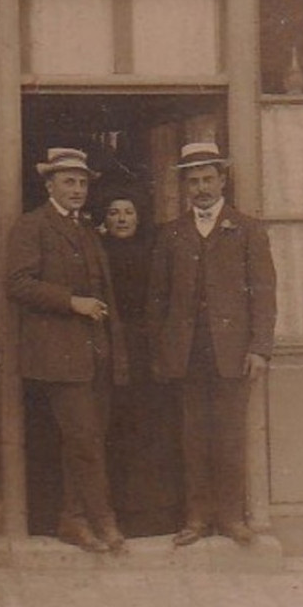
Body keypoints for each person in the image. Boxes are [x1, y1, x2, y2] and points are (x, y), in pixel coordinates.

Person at [147, 142, 277, 546]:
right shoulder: (172, 233)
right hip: (187, 353)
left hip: (233, 352)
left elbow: (264, 293)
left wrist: (259, 348)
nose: (202, 187)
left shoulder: (248, 229)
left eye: (208, 178)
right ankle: (197, 518)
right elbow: (158, 299)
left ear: (222, 180)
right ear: (185, 187)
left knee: (230, 437)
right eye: (194, 180)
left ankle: (231, 517)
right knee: (193, 436)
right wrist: (162, 349)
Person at [7, 146, 128, 553]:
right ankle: (102, 520)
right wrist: (71, 301)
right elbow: (19, 283)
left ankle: (72, 520)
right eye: (68, 182)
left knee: (86, 439)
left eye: (82, 183)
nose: (77, 190)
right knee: (85, 440)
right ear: (49, 185)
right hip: (58, 355)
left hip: (96, 354)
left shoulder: (87, 229)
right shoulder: (32, 226)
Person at [99, 188, 184, 537]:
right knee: (115, 430)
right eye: (114, 212)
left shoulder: (154, 250)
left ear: (139, 217)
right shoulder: (98, 252)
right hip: (111, 346)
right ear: (104, 220)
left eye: (128, 212)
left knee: (151, 429)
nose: (121, 219)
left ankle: (155, 514)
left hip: (148, 348)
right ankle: (119, 513)